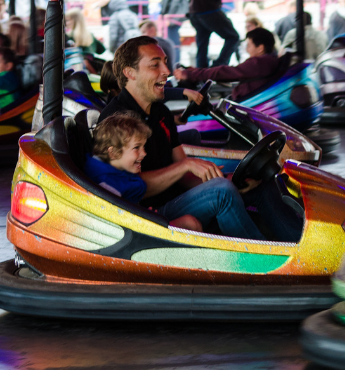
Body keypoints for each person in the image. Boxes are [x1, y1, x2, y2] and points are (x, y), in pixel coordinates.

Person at [99, 36, 302, 242]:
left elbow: (184, 174)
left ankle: (298, 248)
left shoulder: (160, 112)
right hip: (145, 215)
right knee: (222, 193)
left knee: (260, 183)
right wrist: (188, 167)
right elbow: (128, 188)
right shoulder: (115, 119)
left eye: (165, 62)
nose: (166, 71)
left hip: (176, 199)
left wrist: (227, 179)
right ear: (129, 73)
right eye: (155, 64)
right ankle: (267, 265)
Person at [85, 113, 202, 232]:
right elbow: (118, 224)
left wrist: (145, 212)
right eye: (136, 148)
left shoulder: (115, 169)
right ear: (113, 152)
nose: (144, 153)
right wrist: (146, 216)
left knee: (190, 222)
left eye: (143, 147)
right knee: (192, 224)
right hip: (135, 235)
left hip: (140, 221)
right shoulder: (106, 185)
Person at [175, 27, 278, 101]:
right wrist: (196, 71)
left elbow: (225, 72)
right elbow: (234, 71)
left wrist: (190, 75)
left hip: (245, 106)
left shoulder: (259, 63)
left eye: (249, 46)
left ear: (260, 48)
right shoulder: (268, 61)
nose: (247, 50)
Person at [188, 0, 240, 69]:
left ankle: (202, 75)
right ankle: (218, 68)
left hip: (195, 11)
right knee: (233, 37)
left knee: (202, 46)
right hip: (208, 10)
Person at [160, 0, 187, 64]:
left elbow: (175, 3)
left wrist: (169, 17)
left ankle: (175, 63)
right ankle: (174, 63)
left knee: (173, 42)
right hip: (170, 19)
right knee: (172, 41)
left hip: (173, 19)